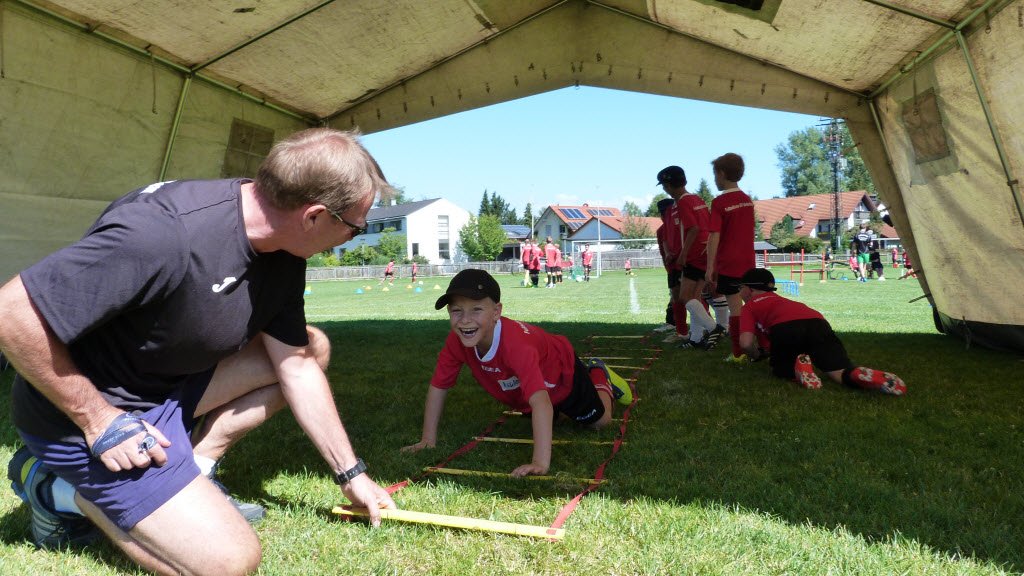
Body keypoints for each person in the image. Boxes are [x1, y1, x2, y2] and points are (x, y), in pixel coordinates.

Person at [0, 128, 397, 575]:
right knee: (229, 562)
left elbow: (297, 366)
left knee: (313, 347)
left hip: (168, 387)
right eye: (354, 227)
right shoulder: (163, 233)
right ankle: (54, 488)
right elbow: (10, 312)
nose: (352, 238)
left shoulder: (285, 251)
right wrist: (98, 419)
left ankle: (198, 464)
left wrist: (351, 473)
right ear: (314, 216)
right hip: (95, 413)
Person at [400, 269, 632, 477]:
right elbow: (439, 385)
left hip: (563, 374)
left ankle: (598, 373)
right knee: (551, 417)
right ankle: (562, 406)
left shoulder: (517, 347)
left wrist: (539, 462)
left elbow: (541, 403)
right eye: (456, 311)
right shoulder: (456, 341)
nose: (465, 320)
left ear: (496, 312)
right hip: (531, 386)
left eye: (476, 309)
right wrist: (427, 440)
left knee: (599, 422)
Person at [736, 268, 906, 395]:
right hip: (818, 322)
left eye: (740, 287)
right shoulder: (784, 301)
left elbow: (746, 343)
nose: (738, 292)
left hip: (785, 328)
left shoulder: (749, 306)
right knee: (837, 371)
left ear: (749, 290)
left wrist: (755, 355)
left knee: (782, 372)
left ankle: (798, 371)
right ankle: (854, 374)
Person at [704, 153, 755, 361]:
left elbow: (714, 236)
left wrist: (709, 267)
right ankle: (763, 345)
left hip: (729, 263)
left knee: (735, 310)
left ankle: (737, 353)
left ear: (721, 174)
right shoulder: (747, 201)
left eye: (714, 175)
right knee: (754, 306)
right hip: (749, 262)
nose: (714, 180)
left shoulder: (719, 202)